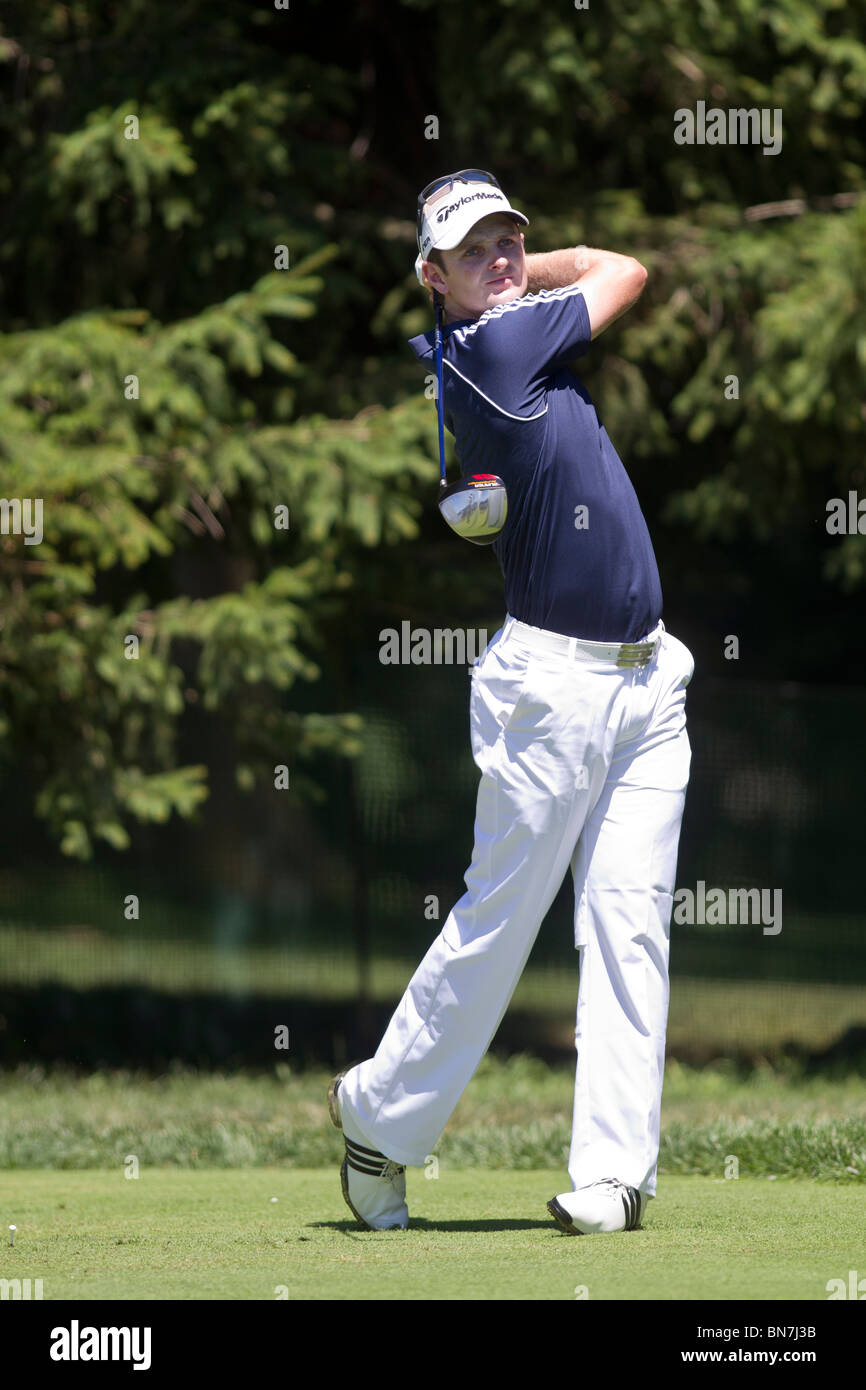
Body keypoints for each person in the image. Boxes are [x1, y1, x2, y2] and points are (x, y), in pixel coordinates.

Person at [329, 170, 694, 1236]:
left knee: (630, 929)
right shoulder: (495, 346)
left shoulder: (496, 335)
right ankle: (377, 1123)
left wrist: (517, 272)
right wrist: (542, 268)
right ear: (428, 275)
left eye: (507, 237)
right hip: (553, 696)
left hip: (647, 682)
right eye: (470, 246)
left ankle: (613, 1178)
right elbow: (627, 269)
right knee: (499, 923)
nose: (498, 256)